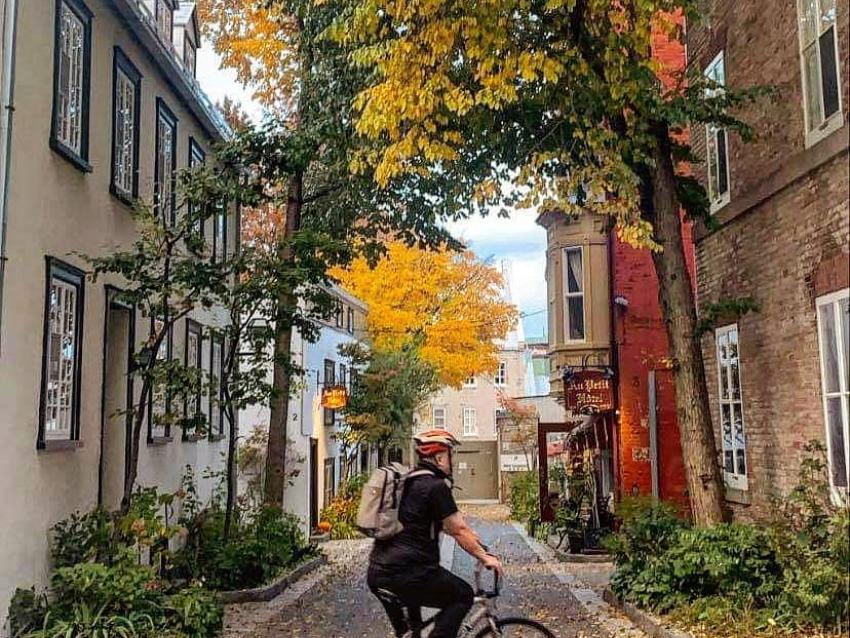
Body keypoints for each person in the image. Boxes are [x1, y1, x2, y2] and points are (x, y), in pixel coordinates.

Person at [367, 429, 503, 638]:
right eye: (451, 455)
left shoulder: (408, 482)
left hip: (379, 572)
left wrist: (476, 544)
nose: (453, 461)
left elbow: (451, 527)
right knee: (463, 595)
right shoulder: (435, 486)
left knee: (414, 632)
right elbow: (458, 529)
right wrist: (485, 557)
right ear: (439, 458)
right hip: (409, 573)